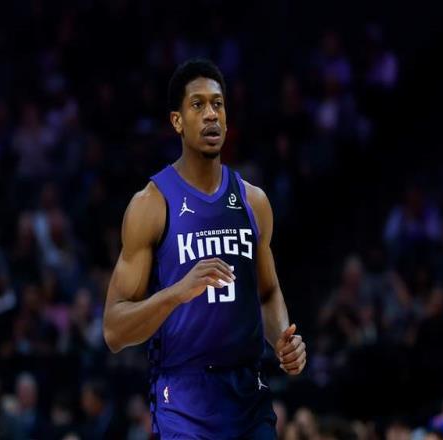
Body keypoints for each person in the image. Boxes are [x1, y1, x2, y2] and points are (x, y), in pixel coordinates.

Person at [103, 58, 307, 439]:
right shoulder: (151, 204)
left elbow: (267, 293)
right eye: (197, 105)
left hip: (248, 395)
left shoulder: (254, 202)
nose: (211, 114)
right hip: (184, 399)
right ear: (177, 121)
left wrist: (283, 340)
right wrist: (176, 293)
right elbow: (114, 329)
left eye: (218, 104)